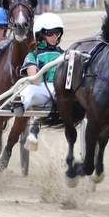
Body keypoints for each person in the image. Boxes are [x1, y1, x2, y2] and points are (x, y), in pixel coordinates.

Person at [18, 13, 66, 151]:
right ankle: (20, 105)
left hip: (61, 92)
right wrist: (36, 68)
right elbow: (34, 79)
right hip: (41, 90)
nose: (55, 36)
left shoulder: (64, 54)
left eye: (57, 33)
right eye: (50, 33)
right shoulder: (32, 55)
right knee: (29, 89)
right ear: (40, 34)